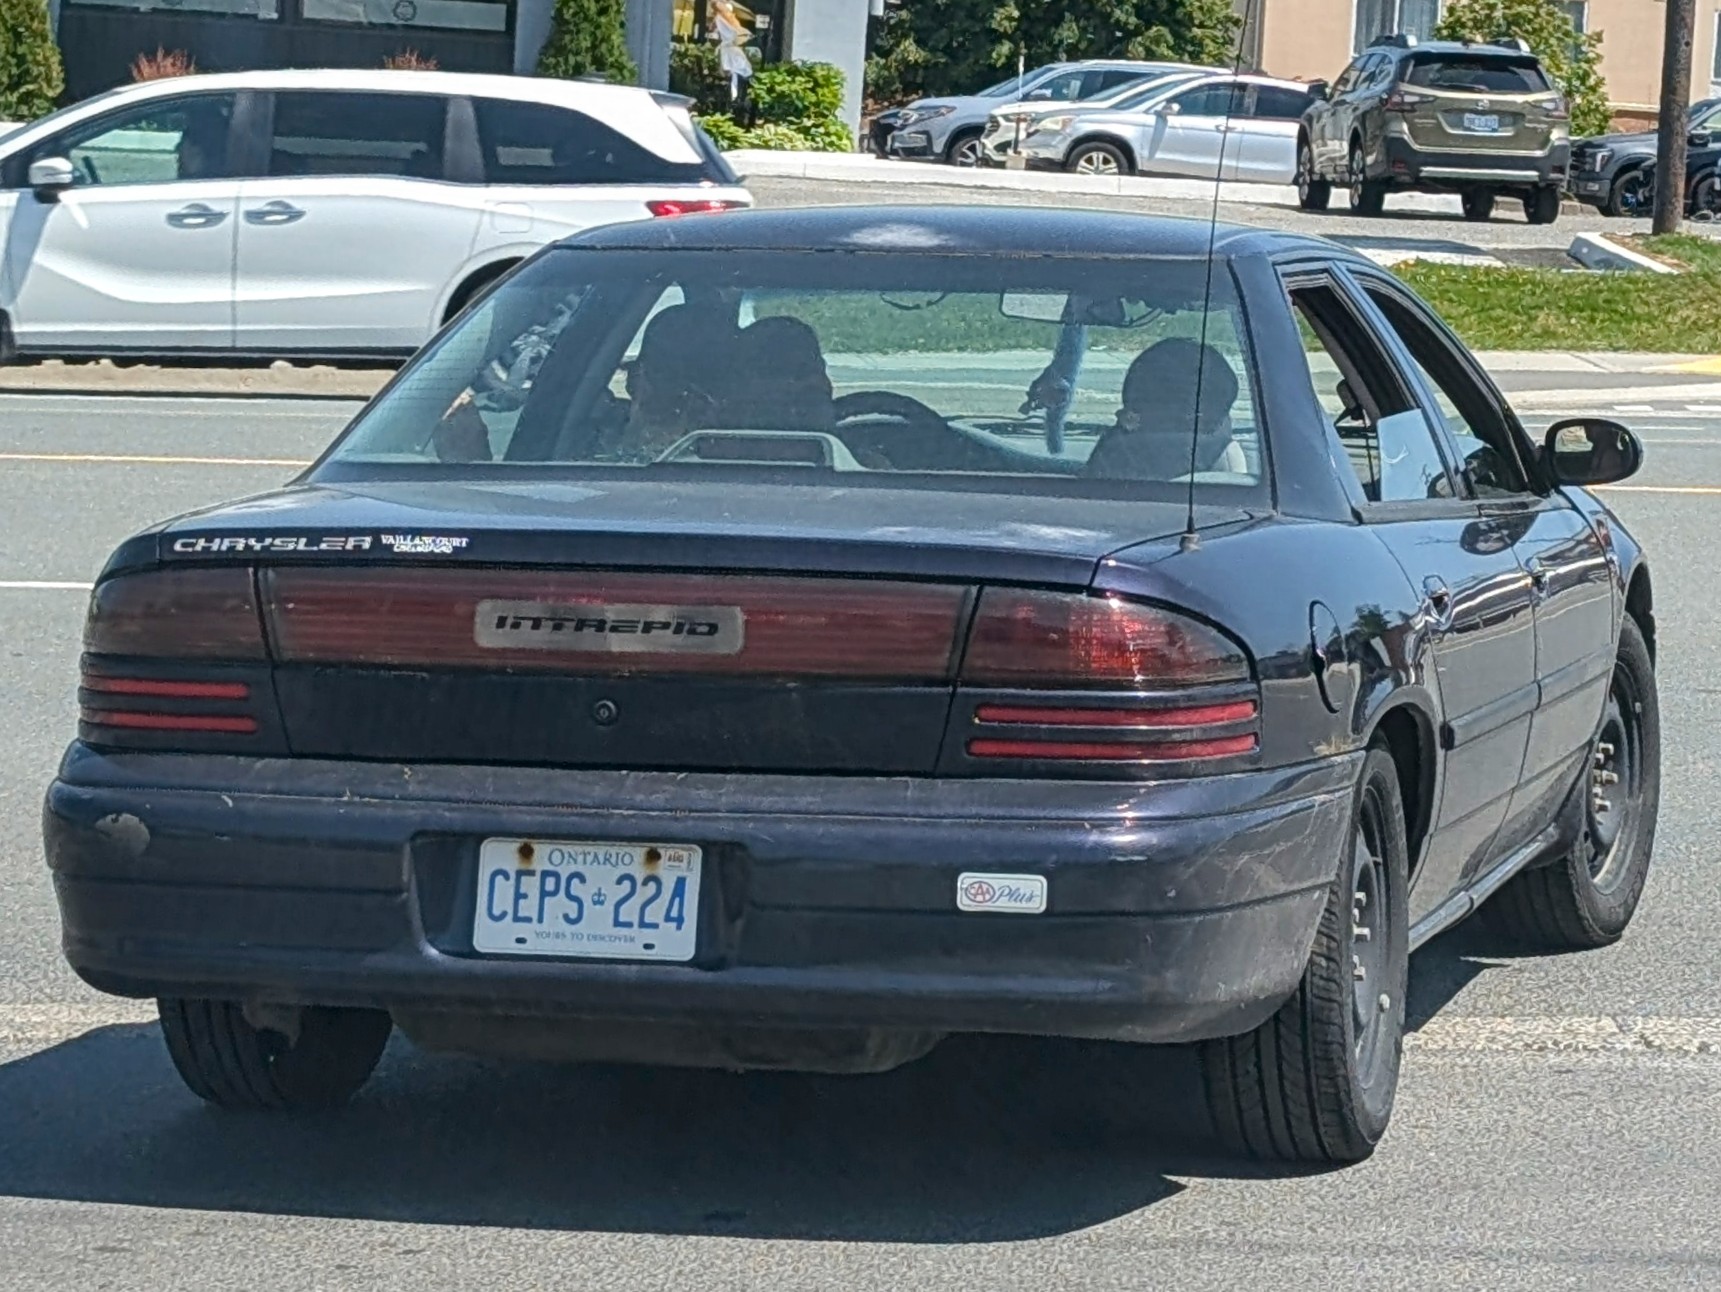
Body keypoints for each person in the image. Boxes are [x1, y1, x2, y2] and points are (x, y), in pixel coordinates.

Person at [1084, 337, 1244, 481]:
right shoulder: (1222, 460)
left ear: (1129, 415)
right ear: (1212, 421)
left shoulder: (1110, 454)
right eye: (1225, 414)